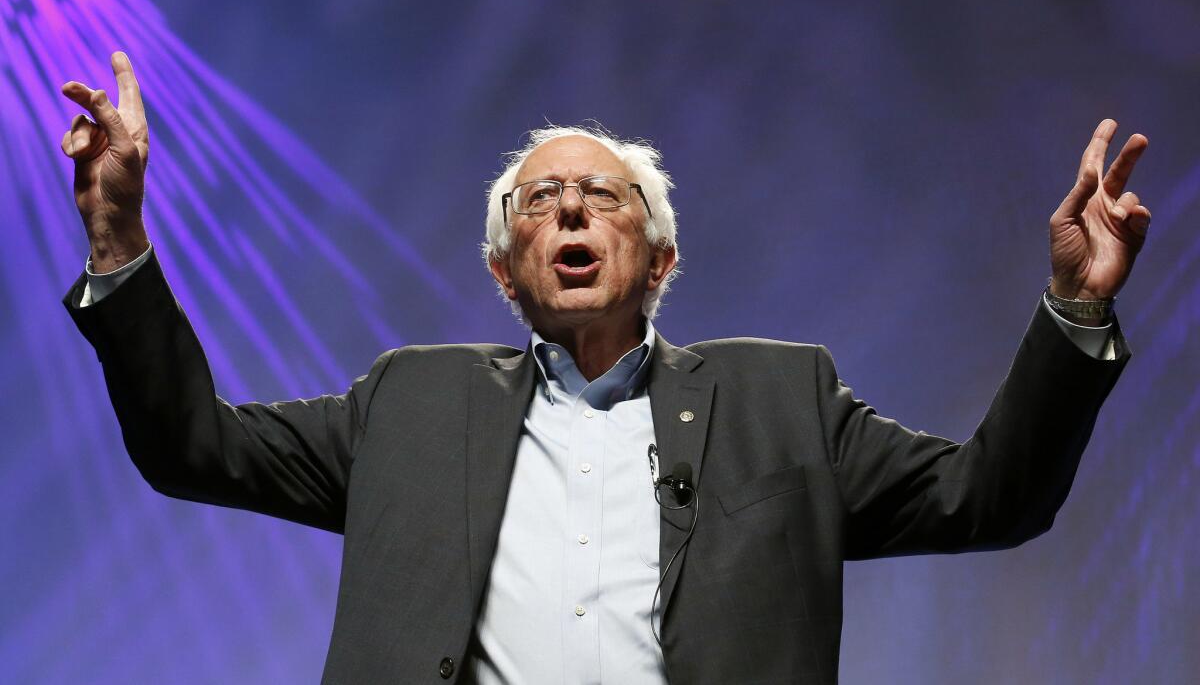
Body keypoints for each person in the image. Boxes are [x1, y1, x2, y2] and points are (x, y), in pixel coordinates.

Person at [59, 52, 1150, 684]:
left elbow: (989, 497)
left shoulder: (784, 401)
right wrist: (118, 238)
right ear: (505, 273)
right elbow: (190, 447)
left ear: (662, 257)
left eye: (603, 196)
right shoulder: (406, 404)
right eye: (539, 200)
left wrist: (1077, 304)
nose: (570, 205)